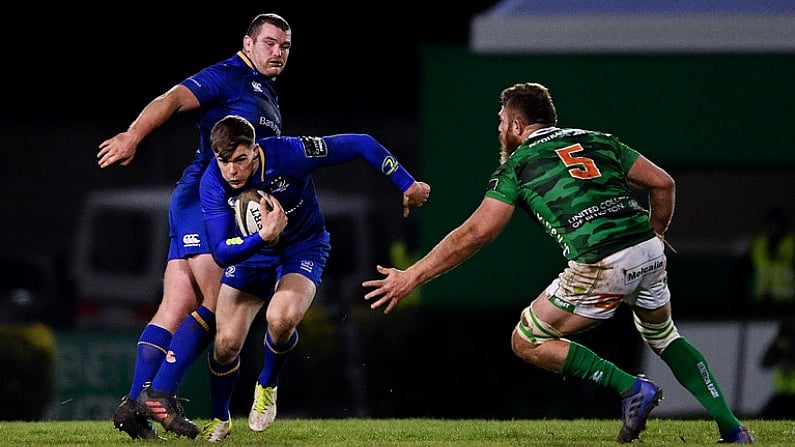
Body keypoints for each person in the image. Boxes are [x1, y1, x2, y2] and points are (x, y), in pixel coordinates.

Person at [362, 82, 754, 444]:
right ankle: (732, 428)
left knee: (527, 339)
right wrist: (654, 235)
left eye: (501, 123)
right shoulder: (597, 139)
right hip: (647, 250)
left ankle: (630, 387)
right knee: (664, 335)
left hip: (600, 262)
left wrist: (412, 275)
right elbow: (663, 183)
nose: (499, 131)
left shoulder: (517, 166)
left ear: (517, 124)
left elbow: (475, 234)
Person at [97, 13, 292, 440]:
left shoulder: (264, 90)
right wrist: (133, 135)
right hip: (203, 201)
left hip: (194, 201)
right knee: (219, 302)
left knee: (176, 304)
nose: (278, 52)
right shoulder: (228, 75)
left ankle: (133, 403)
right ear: (249, 42)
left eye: (285, 46)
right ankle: (160, 395)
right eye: (270, 43)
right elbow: (170, 99)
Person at [190, 115, 430, 442]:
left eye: (240, 160)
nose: (232, 170)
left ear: (255, 150)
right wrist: (263, 236)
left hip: (302, 248)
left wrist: (407, 183)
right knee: (226, 344)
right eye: (224, 161)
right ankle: (220, 418)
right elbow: (220, 251)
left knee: (282, 318)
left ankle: (268, 384)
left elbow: (360, 142)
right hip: (251, 255)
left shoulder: (290, 154)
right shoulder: (212, 183)